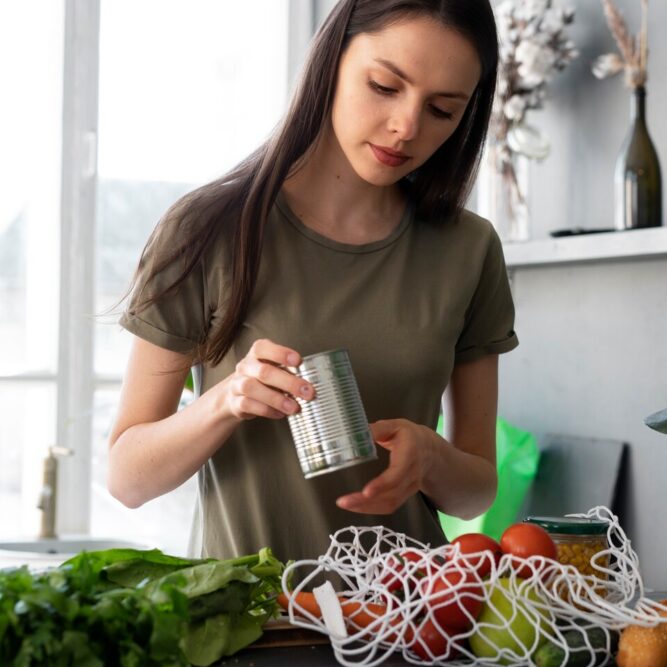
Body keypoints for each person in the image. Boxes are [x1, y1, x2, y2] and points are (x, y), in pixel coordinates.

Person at [108, 0, 517, 563]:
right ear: (331, 60)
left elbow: (476, 492)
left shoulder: (468, 250)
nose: (407, 128)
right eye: (383, 86)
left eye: (443, 110)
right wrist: (226, 401)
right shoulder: (207, 230)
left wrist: (432, 457)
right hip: (252, 625)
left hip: (406, 623)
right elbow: (128, 478)